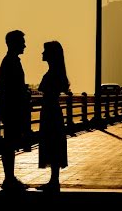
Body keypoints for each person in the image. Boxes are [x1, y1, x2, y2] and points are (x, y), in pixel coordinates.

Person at [37, 41, 70, 193]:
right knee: (53, 143)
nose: (42, 53)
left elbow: (48, 95)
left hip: (50, 112)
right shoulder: (57, 72)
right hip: (53, 111)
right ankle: (53, 179)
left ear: (51, 54)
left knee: (51, 143)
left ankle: (54, 181)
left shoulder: (53, 74)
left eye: (45, 51)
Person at [0, 29, 29, 191]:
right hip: (12, 109)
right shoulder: (11, 62)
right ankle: (8, 178)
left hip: (11, 109)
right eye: (22, 42)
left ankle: (9, 177)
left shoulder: (11, 61)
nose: (25, 45)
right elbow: (11, 89)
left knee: (10, 143)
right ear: (14, 43)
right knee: (9, 144)